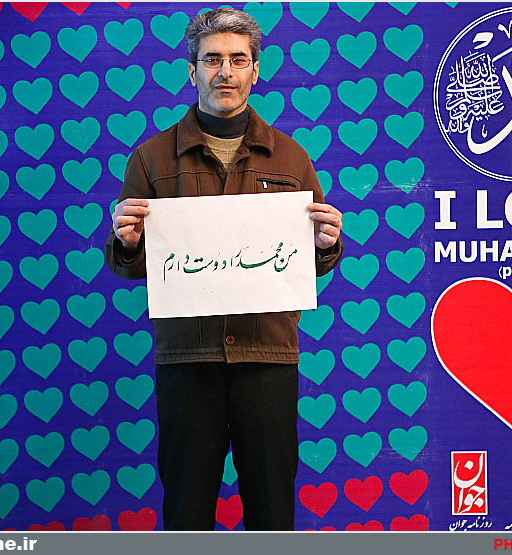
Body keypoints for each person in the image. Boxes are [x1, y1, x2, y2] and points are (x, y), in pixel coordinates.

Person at [104, 8, 343, 531]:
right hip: (187, 362)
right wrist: (126, 241)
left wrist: (327, 244)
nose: (225, 72)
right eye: (212, 60)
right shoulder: (150, 159)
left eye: (237, 59)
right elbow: (131, 265)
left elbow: (310, 261)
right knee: (187, 512)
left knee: (272, 511)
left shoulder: (291, 159)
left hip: (267, 357)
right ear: (192, 71)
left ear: (256, 70)